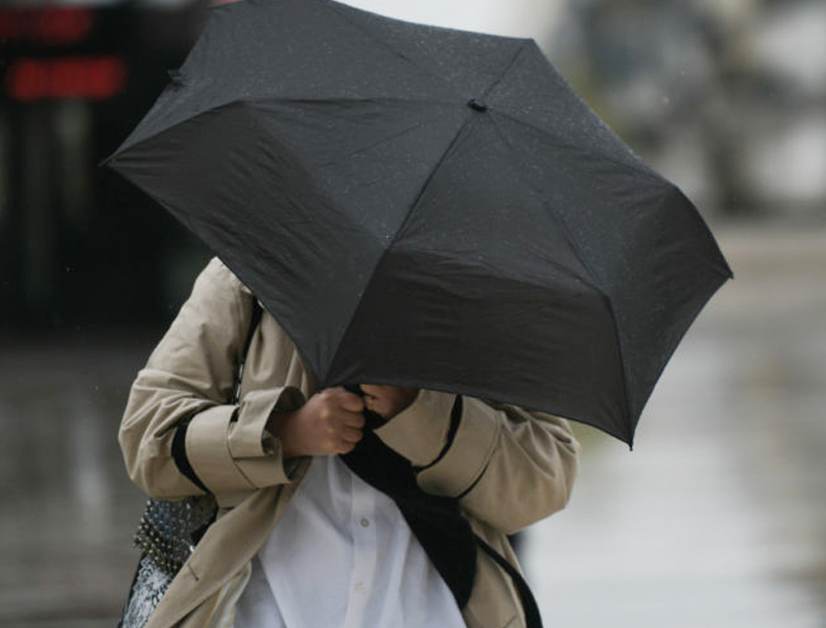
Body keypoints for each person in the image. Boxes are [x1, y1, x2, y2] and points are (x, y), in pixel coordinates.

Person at [119, 257, 579, 628]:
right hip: (264, 609)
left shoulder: (480, 293)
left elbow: (545, 480)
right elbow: (147, 438)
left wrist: (422, 415)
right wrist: (282, 432)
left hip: (430, 609)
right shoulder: (247, 273)